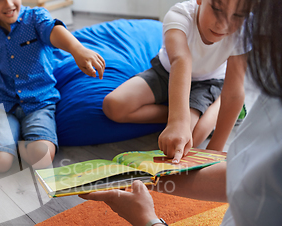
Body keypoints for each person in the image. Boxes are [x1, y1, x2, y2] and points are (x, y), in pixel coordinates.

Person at [22, 0, 282, 226]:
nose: (229, 26)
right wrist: (153, 177)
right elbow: (253, 177)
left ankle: (207, 106)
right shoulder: (280, 91)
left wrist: (149, 224)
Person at [0, 0, 105, 173]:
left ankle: (10, 142)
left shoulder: (36, 18)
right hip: (5, 107)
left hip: (39, 105)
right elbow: (1, 83)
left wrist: (77, 49)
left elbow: (53, 30)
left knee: (41, 157)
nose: (9, 3)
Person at [103, 0, 249, 163]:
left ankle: (219, 103)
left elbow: (235, 92)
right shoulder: (180, 15)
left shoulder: (243, 31)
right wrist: (177, 121)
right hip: (166, 72)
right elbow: (181, 60)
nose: (223, 24)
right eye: (216, 9)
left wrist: (214, 152)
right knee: (113, 106)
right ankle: (183, 110)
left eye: (237, 15)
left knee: (191, 137)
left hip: (208, 82)